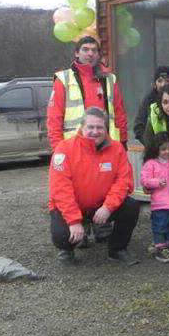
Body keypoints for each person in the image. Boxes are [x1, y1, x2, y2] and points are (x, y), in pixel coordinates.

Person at [48, 107, 140, 264]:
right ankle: (67, 248)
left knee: (131, 206)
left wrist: (108, 207)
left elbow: (124, 181)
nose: (95, 132)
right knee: (62, 236)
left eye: (99, 127)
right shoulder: (64, 149)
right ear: (82, 127)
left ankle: (117, 249)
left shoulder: (117, 148)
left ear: (106, 129)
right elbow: (60, 189)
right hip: (74, 207)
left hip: (100, 207)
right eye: (90, 127)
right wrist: (73, 221)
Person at [47, 36, 128, 149]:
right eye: (85, 49)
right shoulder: (63, 79)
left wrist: (123, 143)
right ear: (77, 53)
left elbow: (120, 114)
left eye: (94, 50)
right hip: (75, 147)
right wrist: (58, 148)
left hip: (107, 146)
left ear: (98, 54)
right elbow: (54, 118)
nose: (90, 54)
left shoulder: (110, 79)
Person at [141, 132, 169, 263]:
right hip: (160, 204)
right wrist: (156, 182)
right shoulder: (151, 164)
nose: (167, 151)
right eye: (163, 149)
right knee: (160, 226)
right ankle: (160, 247)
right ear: (156, 149)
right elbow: (144, 180)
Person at [133, 66, 169, 142]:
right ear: (155, 84)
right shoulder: (148, 100)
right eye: (160, 81)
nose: (163, 84)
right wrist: (151, 145)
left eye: (167, 81)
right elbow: (138, 128)